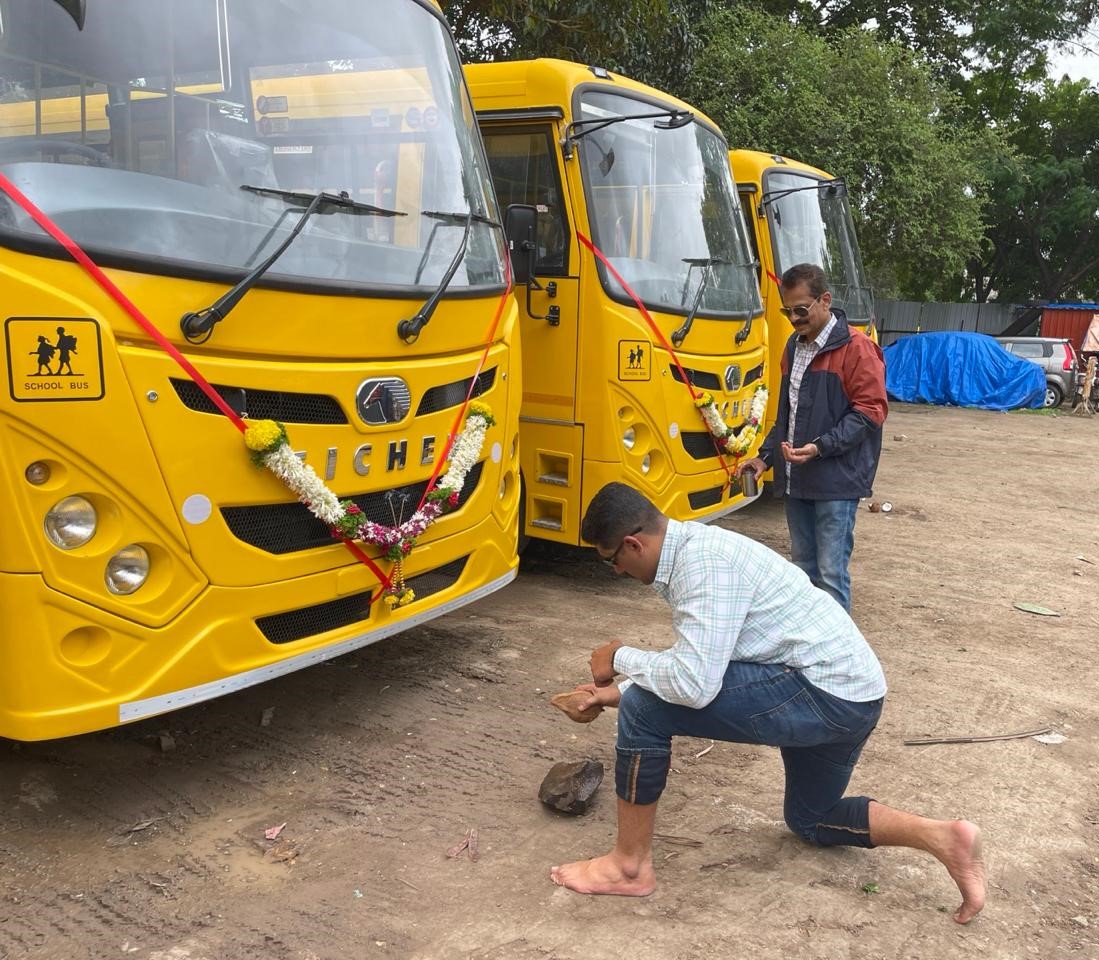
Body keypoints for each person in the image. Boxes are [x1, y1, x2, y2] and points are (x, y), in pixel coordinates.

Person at [549, 482, 985, 925]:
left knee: (645, 709)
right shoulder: (699, 551)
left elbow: (695, 685)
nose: (618, 572)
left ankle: (629, 867)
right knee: (812, 819)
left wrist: (619, 658)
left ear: (632, 544)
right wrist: (613, 693)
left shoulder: (704, 566)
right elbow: (705, 662)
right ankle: (944, 837)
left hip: (821, 693)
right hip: (856, 696)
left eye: (612, 562)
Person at [738, 263, 886, 612]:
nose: (793, 318)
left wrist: (821, 447)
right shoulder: (793, 346)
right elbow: (788, 414)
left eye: (800, 310)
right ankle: (807, 653)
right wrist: (765, 457)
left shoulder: (857, 349)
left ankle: (837, 660)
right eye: (786, 311)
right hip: (797, 481)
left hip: (837, 483)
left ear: (825, 301)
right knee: (802, 573)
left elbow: (871, 412)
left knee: (831, 575)